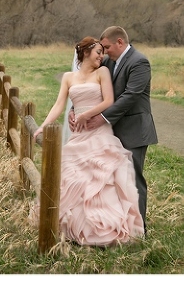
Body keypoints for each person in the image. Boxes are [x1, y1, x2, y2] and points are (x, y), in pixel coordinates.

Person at [33, 36, 144, 246]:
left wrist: (85, 115)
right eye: (98, 52)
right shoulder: (68, 77)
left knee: (99, 178)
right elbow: (59, 105)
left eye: (103, 53)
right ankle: (75, 228)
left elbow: (108, 101)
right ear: (85, 53)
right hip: (79, 134)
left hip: (99, 130)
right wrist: (43, 126)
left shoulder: (102, 72)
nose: (101, 57)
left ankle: (102, 230)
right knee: (74, 177)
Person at [70, 26, 158, 234]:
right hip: (111, 132)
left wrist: (101, 118)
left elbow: (130, 96)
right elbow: (90, 86)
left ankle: (139, 230)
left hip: (134, 131)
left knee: (133, 179)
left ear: (120, 42)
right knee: (112, 180)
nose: (105, 52)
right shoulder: (108, 62)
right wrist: (76, 108)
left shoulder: (139, 62)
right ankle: (118, 227)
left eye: (107, 47)